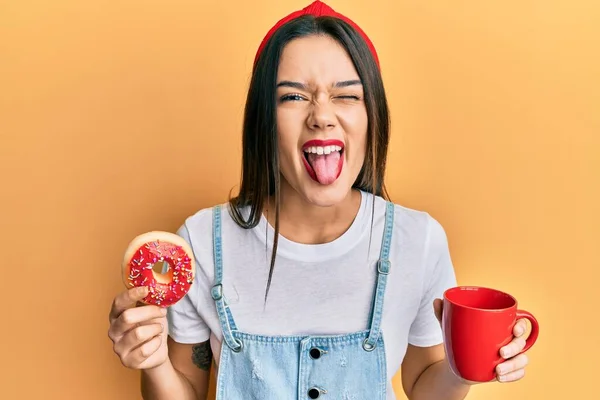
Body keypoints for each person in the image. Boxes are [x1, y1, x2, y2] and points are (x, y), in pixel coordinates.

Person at [108, 1, 531, 399]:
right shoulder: (201, 241)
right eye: (293, 96)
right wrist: (155, 363)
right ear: (263, 121)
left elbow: (423, 384)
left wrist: (464, 366)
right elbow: (185, 390)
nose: (322, 115)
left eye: (347, 94)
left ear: (372, 116)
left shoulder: (417, 239)